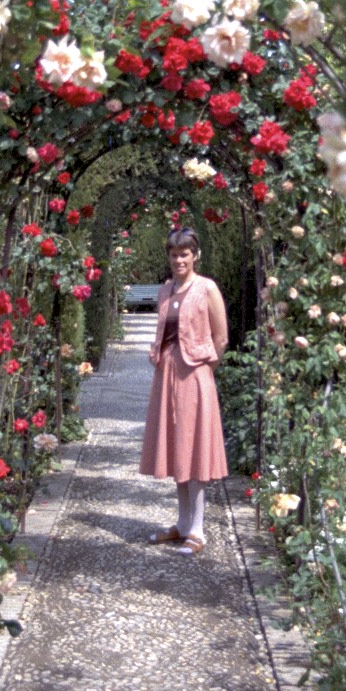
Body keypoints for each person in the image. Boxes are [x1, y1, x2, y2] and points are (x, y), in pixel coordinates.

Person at [139, 227, 229, 556]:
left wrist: (205, 371)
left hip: (196, 375)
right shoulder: (166, 290)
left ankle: (198, 529)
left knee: (196, 450)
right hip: (167, 376)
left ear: (195, 255)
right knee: (177, 447)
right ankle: (181, 522)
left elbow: (221, 338)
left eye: (185, 254)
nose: (179, 260)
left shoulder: (207, 289)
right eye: (174, 254)